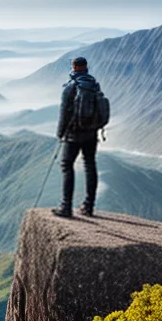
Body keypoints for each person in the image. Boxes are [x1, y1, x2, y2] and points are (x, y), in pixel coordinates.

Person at [52, 57, 102, 218]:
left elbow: (63, 113)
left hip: (73, 134)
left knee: (67, 165)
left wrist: (60, 134)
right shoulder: (94, 84)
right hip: (91, 133)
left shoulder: (70, 87)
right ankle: (88, 206)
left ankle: (66, 207)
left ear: (73, 67)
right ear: (86, 67)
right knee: (90, 165)